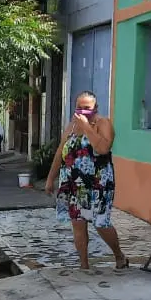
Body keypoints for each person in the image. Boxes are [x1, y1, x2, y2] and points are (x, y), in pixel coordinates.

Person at [44, 91, 129, 271]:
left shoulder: (103, 123)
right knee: (78, 223)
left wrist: (87, 127)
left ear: (95, 108)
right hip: (74, 183)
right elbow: (60, 152)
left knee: (100, 223)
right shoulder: (71, 127)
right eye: (79, 108)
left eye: (87, 108)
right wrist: (51, 178)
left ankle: (119, 255)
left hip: (99, 183)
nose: (82, 112)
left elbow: (103, 148)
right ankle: (84, 265)